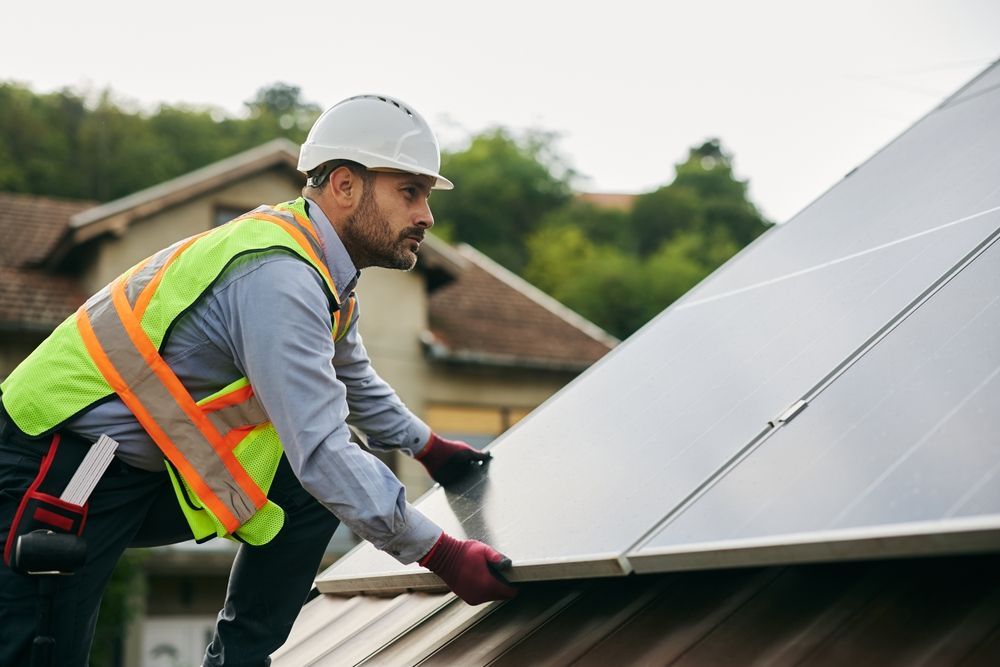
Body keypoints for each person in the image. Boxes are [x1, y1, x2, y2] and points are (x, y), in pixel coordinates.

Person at [0, 93, 517, 666]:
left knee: (306, 492)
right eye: (409, 192)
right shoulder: (281, 276)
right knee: (40, 653)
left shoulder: (324, 274)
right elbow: (322, 450)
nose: (426, 216)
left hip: (146, 466)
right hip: (68, 466)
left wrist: (430, 449)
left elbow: (355, 380)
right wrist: (441, 555)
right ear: (345, 185)